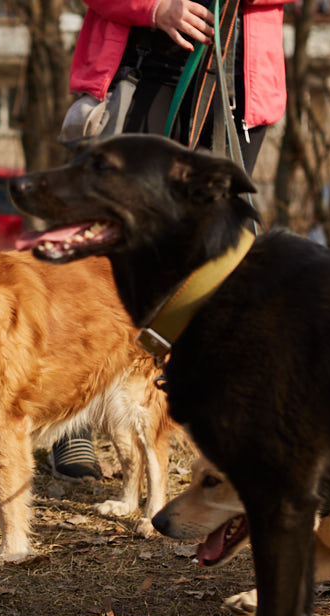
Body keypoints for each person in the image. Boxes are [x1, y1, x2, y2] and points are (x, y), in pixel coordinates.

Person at [50, 0, 292, 479]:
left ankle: (197, 423)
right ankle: (68, 418)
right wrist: (156, 8)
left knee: (213, 265)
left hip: (235, 85)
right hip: (137, 71)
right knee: (102, 253)